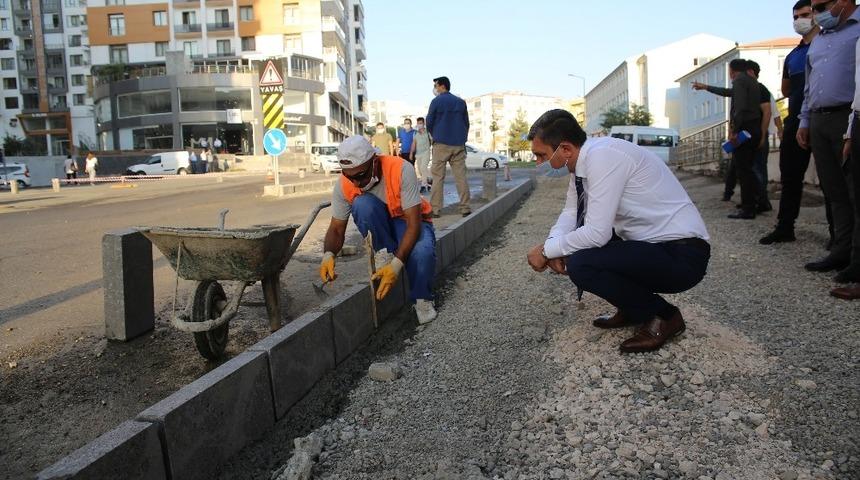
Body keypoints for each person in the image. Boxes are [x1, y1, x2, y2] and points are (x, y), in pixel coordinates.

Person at [525, 110, 710, 353]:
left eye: (541, 155)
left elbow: (596, 233)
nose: (539, 163)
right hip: (655, 248)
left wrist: (547, 251)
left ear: (566, 149)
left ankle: (664, 316)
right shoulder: (582, 164)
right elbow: (571, 213)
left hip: (682, 255)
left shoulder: (603, 157)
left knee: (582, 262)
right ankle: (634, 309)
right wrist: (553, 244)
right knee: (577, 248)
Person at [319, 136, 438, 324]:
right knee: (362, 204)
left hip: (407, 221)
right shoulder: (344, 184)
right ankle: (384, 254)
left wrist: (397, 265)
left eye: (359, 176)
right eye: (349, 176)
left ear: (374, 161)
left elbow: (414, 224)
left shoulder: (400, 168)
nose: (356, 183)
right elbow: (336, 228)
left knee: (421, 251)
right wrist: (328, 254)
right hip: (380, 223)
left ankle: (422, 298)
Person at [797, 0, 860, 275]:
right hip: (819, 119)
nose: (818, 13)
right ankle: (840, 251)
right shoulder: (819, 39)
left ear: (845, 1)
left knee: (855, 192)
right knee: (834, 191)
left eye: (823, 5)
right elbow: (810, 83)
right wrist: (805, 119)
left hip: (848, 116)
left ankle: (857, 263)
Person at [761, 0, 820, 244]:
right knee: (790, 177)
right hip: (796, 118)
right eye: (796, 16)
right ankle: (785, 227)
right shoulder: (793, 55)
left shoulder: (827, 46)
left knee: (832, 180)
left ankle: (841, 238)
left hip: (824, 116)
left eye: (805, 14)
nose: (800, 20)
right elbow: (786, 89)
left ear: (816, 15)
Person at [693, 59, 762, 219]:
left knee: (743, 170)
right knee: (748, 169)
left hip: (744, 129)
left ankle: (748, 208)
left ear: (732, 71)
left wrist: (734, 130)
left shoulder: (739, 81)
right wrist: (706, 87)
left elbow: (740, 107)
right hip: (754, 127)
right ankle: (756, 202)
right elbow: (728, 93)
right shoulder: (751, 82)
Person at [426, 76, 471, 217]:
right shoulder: (460, 102)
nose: (435, 88)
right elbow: (466, 123)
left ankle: (436, 209)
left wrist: (436, 135)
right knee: (461, 177)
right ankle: (465, 208)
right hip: (458, 144)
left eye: (436, 85)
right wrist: (462, 138)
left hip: (441, 144)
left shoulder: (436, 102)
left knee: (438, 177)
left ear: (442, 86)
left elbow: (429, 122)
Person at [411, 117, 433, 192]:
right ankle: (429, 180)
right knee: (420, 171)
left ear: (424, 124)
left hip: (426, 153)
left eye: (421, 123)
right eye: (418, 123)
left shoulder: (428, 132)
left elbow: (432, 141)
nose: (419, 125)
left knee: (423, 168)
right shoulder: (415, 133)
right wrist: (411, 153)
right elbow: (413, 144)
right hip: (418, 154)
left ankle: (423, 186)